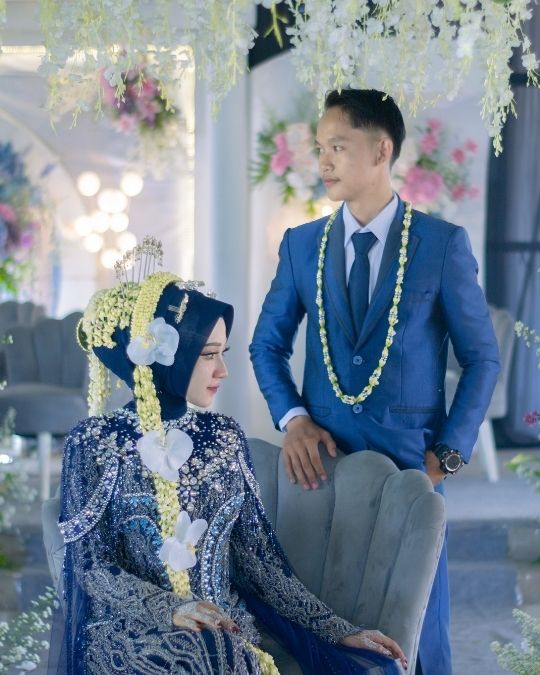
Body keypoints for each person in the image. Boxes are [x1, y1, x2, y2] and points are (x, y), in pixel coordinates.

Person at [51, 238, 405, 674]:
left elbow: (258, 562)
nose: (223, 370)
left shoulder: (223, 436)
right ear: (163, 356)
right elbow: (90, 565)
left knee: (219, 652)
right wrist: (170, 608)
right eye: (208, 355)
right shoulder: (95, 441)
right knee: (207, 654)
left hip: (225, 635)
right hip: (134, 632)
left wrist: (335, 630)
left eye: (223, 354)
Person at [249, 89, 501, 675]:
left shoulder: (441, 245)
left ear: (381, 149)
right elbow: (265, 345)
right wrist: (294, 419)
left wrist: (446, 456)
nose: (324, 161)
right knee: (321, 616)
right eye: (320, 148)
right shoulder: (301, 245)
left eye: (337, 146)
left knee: (416, 628)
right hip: (320, 468)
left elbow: (482, 358)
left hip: (411, 467)